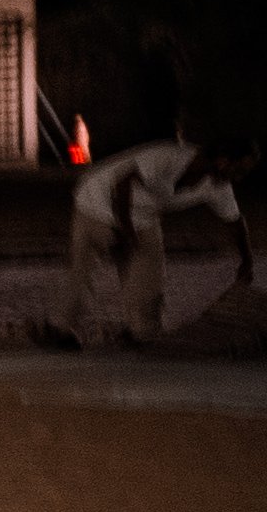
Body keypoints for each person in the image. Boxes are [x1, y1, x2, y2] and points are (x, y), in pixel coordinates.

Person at [67, 134, 252, 350]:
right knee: (82, 268)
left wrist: (246, 260)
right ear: (223, 160)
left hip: (143, 215)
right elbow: (122, 182)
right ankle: (58, 327)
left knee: (148, 273)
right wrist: (126, 230)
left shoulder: (217, 185)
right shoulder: (169, 156)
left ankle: (142, 331)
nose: (240, 177)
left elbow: (235, 221)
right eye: (239, 169)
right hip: (97, 201)